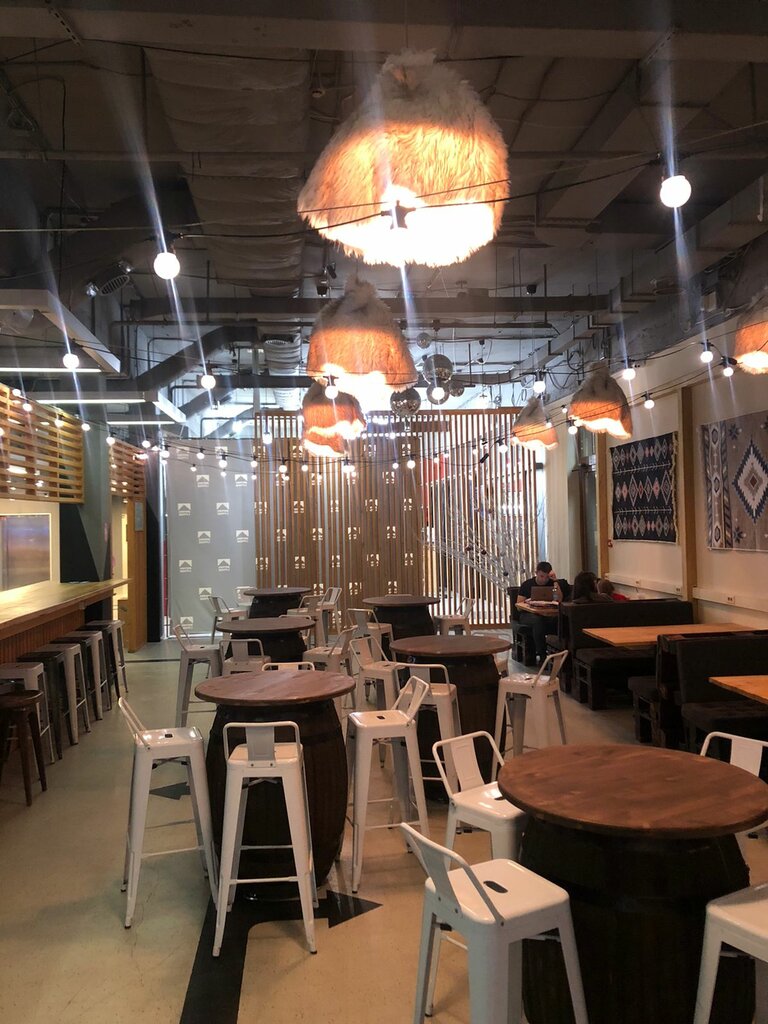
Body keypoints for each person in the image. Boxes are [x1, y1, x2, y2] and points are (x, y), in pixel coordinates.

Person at [516, 561, 570, 663]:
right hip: (527, 615)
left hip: (547, 614)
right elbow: (519, 606)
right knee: (538, 621)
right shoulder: (527, 584)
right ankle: (542, 655)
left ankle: (562, 653)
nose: (544, 579)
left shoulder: (552, 584)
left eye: (546, 577)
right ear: (536, 573)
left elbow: (559, 599)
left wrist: (555, 582)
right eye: (541, 576)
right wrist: (529, 602)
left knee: (560, 620)